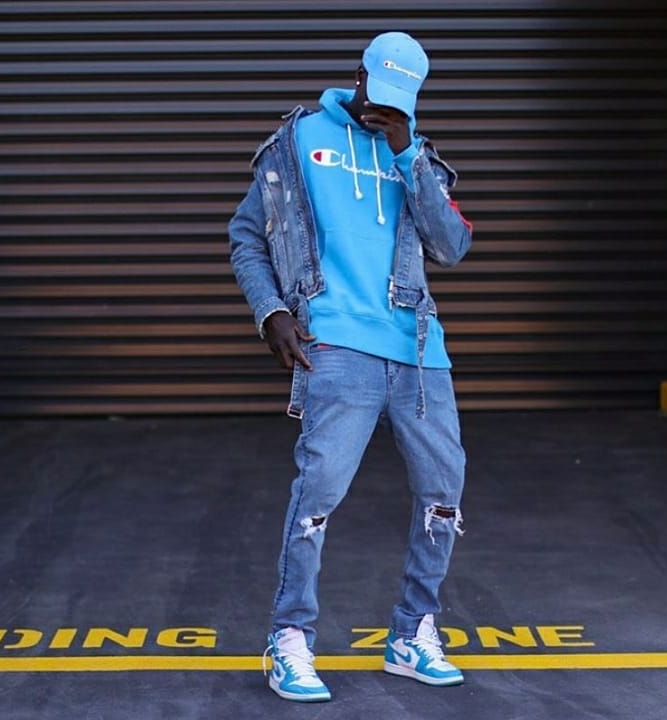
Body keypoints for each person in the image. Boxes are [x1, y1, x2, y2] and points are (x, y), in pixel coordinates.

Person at [229, 31, 473, 703]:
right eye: (378, 93)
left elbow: (452, 246)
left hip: (417, 351)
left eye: (400, 101)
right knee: (318, 495)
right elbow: (247, 236)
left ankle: (412, 633)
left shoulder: (415, 153)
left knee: (443, 492)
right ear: (358, 76)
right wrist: (271, 311)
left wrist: (406, 152)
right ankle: (289, 640)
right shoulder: (298, 140)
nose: (383, 108)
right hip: (335, 344)